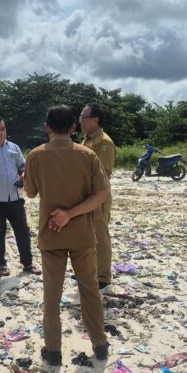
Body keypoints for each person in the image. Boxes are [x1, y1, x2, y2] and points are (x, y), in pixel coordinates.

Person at [24, 105, 110, 366]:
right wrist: (71, 214)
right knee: (90, 290)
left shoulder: (35, 156)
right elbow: (101, 194)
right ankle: (100, 343)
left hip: (51, 235)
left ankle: (53, 350)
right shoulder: (88, 155)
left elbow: (30, 193)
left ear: (47, 127)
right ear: (73, 128)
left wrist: (60, 213)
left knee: (52, 296)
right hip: (82, 235)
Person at [0, 118, 40, 277]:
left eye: (3, 129)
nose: (1, 133)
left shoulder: (14, 148)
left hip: (15, 199)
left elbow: (22, 167)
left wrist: (23, 176)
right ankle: (1, 264)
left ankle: (28, 263)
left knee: (22, 232)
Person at [79, 103, 116, 289]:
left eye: (84, 117)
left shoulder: (104, 142)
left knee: (100, 238)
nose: (81, 121)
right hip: (85, 197)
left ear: (96, 120)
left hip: (97, 198)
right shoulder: (86, 141)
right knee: (87, 237)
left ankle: (103, 277)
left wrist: (96, 203)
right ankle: (90, 272)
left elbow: (104, 176)